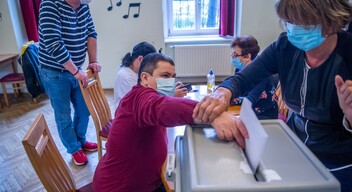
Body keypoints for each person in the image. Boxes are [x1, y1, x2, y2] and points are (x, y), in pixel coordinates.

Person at [193, 0, 352, 191]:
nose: (294, 29)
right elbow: (242, 79)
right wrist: (221, 93)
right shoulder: (284, 47)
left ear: (330, 19)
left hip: (339, 161)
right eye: (288, 21)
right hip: (296, 146)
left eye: (302, 22)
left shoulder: (348, 54)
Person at [93, 53, 238, 191]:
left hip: (148, 182)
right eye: (164, 76)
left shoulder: (142, 95)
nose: (169, 81)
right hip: (120, 188)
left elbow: (163, 105)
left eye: (172, 77)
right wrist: (211, 114)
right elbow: (158, 106)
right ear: (145, 78)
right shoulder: (139, 97)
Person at [38, 0, 101, 166]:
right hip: (54, 72)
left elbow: (91, 34)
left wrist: (93, 61)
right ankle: (74, 148)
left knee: (84, 109)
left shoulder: (83, 6)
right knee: (63, 114)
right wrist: (75, 71)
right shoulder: (50, 4)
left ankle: (80, 140)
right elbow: (54, 44)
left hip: (76, 70)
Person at [114, 42, 188, 109]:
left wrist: (170, 86)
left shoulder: (132, 71)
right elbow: (146, 101)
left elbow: (151, 89)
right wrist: (171, 95)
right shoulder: (127, 77)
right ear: (140, 59)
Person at [230, 35, 278, 119]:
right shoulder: (239, 69)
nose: (233, 58)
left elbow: (250, 100)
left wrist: (230, 99)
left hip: (264, 115)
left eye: (235, 55)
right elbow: (236, 87)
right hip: (249, 109)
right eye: (232, 55)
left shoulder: (262, 73)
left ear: (248, 57)